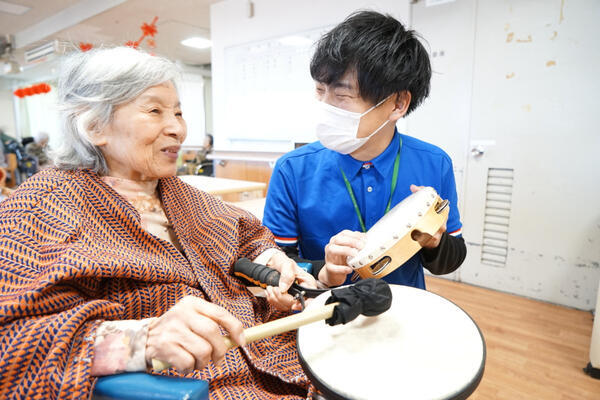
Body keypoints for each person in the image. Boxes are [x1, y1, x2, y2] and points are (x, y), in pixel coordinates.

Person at [0, 47, 316, 399]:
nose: (178, 129)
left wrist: (269, 258)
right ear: (94, 125)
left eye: (179, 113)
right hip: (206, 385)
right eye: (155, 111)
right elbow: (11, 343)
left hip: (287, 358)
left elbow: (247, 237)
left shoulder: (181, 194)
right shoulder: (38, 208)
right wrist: (142, 339)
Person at [263, 10, 467, 289]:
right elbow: (274, 264)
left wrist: (434, 241)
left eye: (342, 96)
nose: (326, 107)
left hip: (404, 309)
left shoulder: (434, 163)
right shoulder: (292, 170)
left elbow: (451, 261)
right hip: (324, 313)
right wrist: (326, 270)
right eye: (320, 91)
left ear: (398, 104)